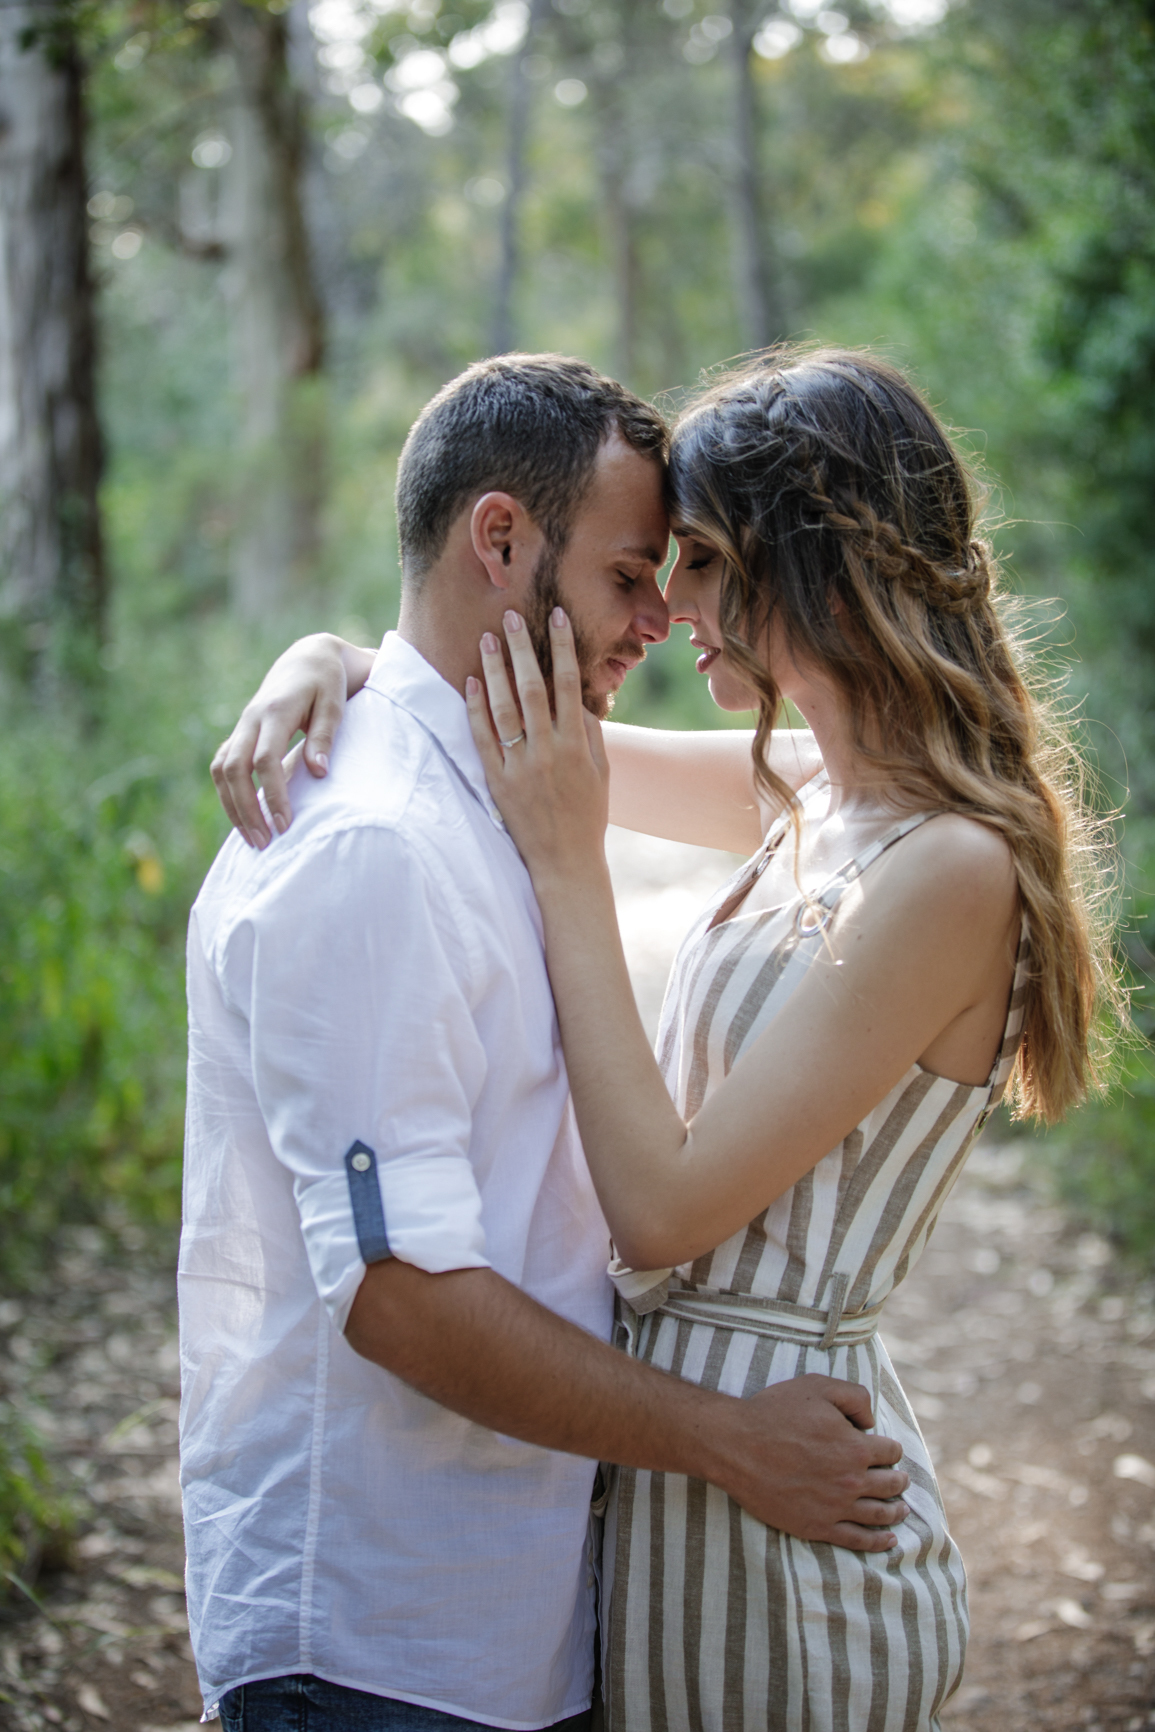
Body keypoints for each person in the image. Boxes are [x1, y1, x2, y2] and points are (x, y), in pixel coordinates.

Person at [218, 349, 1116, 1731]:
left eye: (698, 558)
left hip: (782, 1491)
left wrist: (571, 871)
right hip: (684, 1489)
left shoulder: (948, 864)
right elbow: (482, 717)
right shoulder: (820, 786)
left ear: (811, 562)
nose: (674, 601)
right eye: (650, 566)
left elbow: (659, 1212)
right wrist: (335, 661)